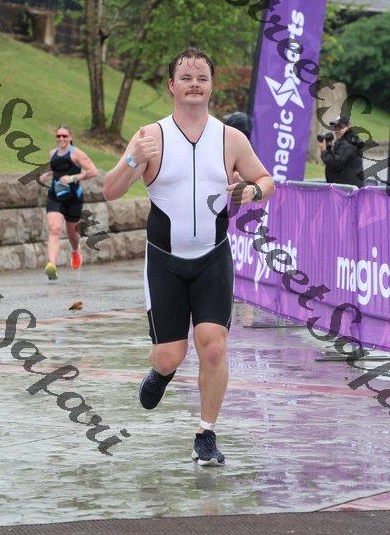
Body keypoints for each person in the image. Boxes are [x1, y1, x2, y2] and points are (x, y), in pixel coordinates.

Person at [103, 48, 275, 465]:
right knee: (171, 354)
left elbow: (266, 180)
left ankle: (206, 434)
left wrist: (252, 191)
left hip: (213, 258)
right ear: (172, 86)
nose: (194, 84)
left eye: (202, 77)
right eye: (186, 77)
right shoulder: (150, 137)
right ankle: (162, 371)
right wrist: (133, 158)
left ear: (212, 86)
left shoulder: (231, 139)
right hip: (164, 260)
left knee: (213, 346)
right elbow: (110, 191)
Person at [40, 125, 98, 280]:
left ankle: (75, 251)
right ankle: (52, 265)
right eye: (58, 136)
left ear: (70, 137)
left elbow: (93, 171)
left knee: (72, 233)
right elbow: (54, 168)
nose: (61, 138)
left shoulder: (76, 153)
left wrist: (72, 178)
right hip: (55, 196)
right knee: (54, 229)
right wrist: (45, 174)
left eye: (64, 136)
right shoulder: (53, 153)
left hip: (73, 199)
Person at [318, 115, 364, 187]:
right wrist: (328, 148)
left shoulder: (348, 144)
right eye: (335, 127)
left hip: (347, 190)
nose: (337, 130)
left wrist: (324, 151)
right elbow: (336, 159)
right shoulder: (346, 141)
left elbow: (335, 164)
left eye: (340, 127)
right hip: (345, 188)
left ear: (348, 127)